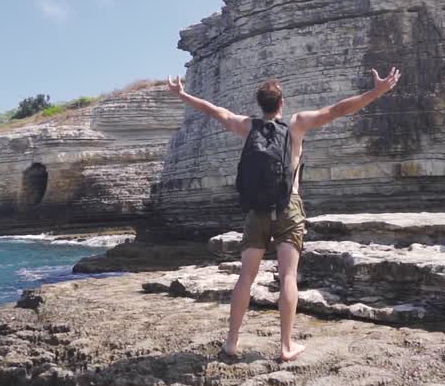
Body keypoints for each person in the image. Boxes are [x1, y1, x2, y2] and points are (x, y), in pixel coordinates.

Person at [166, 68, 402, 361]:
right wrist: (377, 92)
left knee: (245, 277)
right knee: (288, 276)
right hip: (288, 207)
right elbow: (339, 109)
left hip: (257, 211)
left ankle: (231, 342)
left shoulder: (247, 126)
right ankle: (286, 346)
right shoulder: (297, 124)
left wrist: (182, 94)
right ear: (282, 103)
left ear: (260, 103)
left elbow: (215, 111)